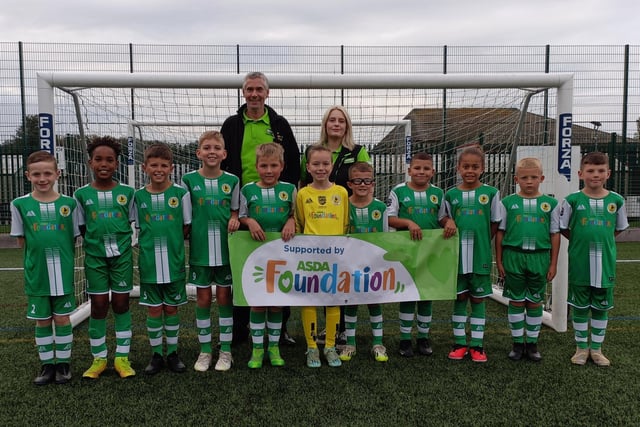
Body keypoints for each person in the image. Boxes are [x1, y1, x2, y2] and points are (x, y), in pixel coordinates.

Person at [221, 71, 300, 346]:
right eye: (249, 89)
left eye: (259, 89)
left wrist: (289, 210)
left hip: (277, 208)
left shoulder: (278, 124)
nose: (254, 94)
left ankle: (281, 328)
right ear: (243, 93)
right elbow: (222, 159)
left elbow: (293, 161)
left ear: (267, 93)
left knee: (282, 266)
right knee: (243, 266)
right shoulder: (231, 124)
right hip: (243, 202)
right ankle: (241, 329)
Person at [300, 105, 371, 344]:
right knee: (319, 281)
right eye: (332, 120)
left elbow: (366, 182)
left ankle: (341, 330)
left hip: (344, 224)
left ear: (347, 125)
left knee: (342, 279)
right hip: (317, 227)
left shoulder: (358, 151)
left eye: (341, 120)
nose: (337, 124)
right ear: (325, 124)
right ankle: (323, 333)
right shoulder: (312, 152)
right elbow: (303, 185)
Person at [10, 150, 79, 385]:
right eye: (36, 174)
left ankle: (63, 365)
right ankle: (47, 366)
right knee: (42, 320)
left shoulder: (70, 204)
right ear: (28, 175)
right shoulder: (19, 204)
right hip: (37, 274)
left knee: (62, 319)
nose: (42, 178)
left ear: (57, 174)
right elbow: (21, 240)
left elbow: (73, 237)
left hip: (63, 272)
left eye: (47, 173)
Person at [74, 136, 136, 379]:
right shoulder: (81, 195)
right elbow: (81, 228)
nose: (104, 164)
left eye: (109, 160)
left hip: (121, 257)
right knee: (98, 305)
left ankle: (122, 358)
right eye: (98, 159)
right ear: (90, 163)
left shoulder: (127, 193)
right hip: (95, 259)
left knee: (121, 303)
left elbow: (131, 222)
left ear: (116, 164)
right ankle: (98, 358)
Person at [559, 152, 628, 366]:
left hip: (605, 264)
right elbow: (564, 228)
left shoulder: (616, 200)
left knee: (601, 307)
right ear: (581, 174)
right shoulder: (572, 200)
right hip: (580, 264)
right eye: (590, 171)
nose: (595, 175)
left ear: (608, 173)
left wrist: (603, 239)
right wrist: (581, 240)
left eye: (600, 171)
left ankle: (596, 350)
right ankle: (581, 348)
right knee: (580, 307)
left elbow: (617, 229)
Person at [181, 131, 240, 372]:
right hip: (200, 251)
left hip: (226, 251)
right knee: (203, 298)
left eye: (217, 147)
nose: (212, 151)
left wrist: (235, 218)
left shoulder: (233, 181)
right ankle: (205, 350)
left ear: (224, 154)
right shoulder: (188, 180)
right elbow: (185, 217)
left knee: (225, 298)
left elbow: (236, 210)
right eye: (207, 147)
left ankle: (225, 350)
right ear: (199, 153)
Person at [387, 152, 457, 358]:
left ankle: (424, 338)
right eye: (417, 168)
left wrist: (449, 222)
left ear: (433, 172)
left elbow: (442, 217)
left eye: (426, 169)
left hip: (430, 253)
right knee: (408, 294)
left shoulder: (437, 193)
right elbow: (390, 219)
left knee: (427, 295)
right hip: (407, 253)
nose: (421, 172)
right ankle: (405, 339)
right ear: (409, 171)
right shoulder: (398, 191)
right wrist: (408, 223)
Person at [133, 143, 192, 375]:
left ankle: (173, 353)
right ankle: (156, 355)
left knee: (171, 308)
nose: (159, 169)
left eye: (164, 165)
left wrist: (174, 245)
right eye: (154, 165)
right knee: (154, 310)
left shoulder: (180, 194)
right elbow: (139, 227)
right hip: (149, 265)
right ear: (144, 167)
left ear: (171, 168)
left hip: (174, 262)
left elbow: (186, 227)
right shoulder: (138, 196)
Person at [495, 157, 561, 362]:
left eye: (534, 177)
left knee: (534, 302)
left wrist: (553, 263)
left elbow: (554, 235)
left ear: (541, 178)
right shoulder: (507, 203)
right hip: (513, 256)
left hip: (539, 258)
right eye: (524, 177)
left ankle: (531, 344)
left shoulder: (550, 204)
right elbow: (500, 233)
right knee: (516, 300)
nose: (529, 181)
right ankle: (517, 344)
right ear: (516, 179)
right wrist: (498, 261)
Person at [239, 143, 296, 368]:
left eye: (274, 165)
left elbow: (295, 215)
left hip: (282, 254)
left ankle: (273, 347)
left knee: (276, 304)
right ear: (257, 166)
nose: (269, 170)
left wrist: (291, 221)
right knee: (257, 304)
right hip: (256, 255)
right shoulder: (248, 190)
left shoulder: (290, 189)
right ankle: (257, 349)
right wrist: (249, 221)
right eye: (264, 166)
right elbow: (242, 215)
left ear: (281, 166)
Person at [443, 146, 501, 363]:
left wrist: (483, 241)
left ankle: (477, 345)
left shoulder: (491, 193)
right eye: (465, 166)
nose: (470, 170)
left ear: (482, 169)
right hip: (456, 258)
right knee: (460, 297)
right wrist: (448, 221)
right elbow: (444, 218)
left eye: (475, 167)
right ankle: (459, 343)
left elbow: (495, 223)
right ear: (458, 168)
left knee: (478, 299)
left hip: (480, 258)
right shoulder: (451, 194)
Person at [295, 144, 349, 368]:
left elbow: (345, 224)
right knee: (310, 301)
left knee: (333, 301)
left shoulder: (341, 193)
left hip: (335, 258)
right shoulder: (303, 194)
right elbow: (299, 224)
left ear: (332, 166)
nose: (321, 168)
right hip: (310, 258)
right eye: (316, 164)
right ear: (308, 167)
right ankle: (311, 347)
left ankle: (329, 346)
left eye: (325, 163)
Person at [339, 162, 390, 363]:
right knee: (351, 302)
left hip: (374, 266)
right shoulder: (344, 206)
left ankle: (378, 344)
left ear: (373, 183)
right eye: (358, 180)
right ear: (350, 184)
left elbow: (386, 237)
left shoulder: (380, 208)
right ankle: (349, 343)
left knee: (373, 303)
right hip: (349, 265)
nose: (363, 184)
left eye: (367, 180)